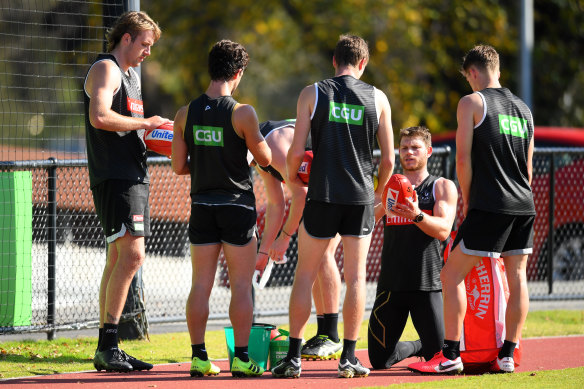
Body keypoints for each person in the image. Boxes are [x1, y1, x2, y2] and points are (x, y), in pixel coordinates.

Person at [271, 34, 394, 379]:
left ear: (334, 61)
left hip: (322, 194)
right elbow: (388, 160)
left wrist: (293, 179)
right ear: (363, 63)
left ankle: (293, 358)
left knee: (305, 274)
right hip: (358, 199)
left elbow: (296, 153)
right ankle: (349, 358)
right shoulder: (379, 98)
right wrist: (376, 195)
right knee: (356, 278)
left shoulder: (313, 92)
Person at [408, 45, 535, 375]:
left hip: (490, 204)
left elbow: (462, 159)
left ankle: (450, 355)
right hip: (523, 203)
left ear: (473, 72)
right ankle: (508, 353)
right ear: (498, 71)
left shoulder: (472, 102)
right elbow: (529, 166)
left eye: (467, 77)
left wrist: (467, 200)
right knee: (517, 276)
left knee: (450, 275)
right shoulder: (524, 110)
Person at [172, 40, 271, 378]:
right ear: (238, 73)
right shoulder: (243, 112)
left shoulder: (185, 113)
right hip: (236, 206)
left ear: (211, 68)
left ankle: (199, 357)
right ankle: (241, 359)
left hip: (201, 205)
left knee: (200, 285)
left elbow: (178, 166)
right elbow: (266, 159)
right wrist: (242, 154)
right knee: (241, 286)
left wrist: (208, 162)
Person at [84, 11, 168, 372]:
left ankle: (108, 345)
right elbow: (99, 116)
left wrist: (157, 133)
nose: (148, 52)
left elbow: (132, 127)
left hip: (131, 175)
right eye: (145, 44)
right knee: (132, 256)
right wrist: (146, 122)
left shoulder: (131, 75)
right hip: (115, 176)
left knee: (118, 258)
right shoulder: (107, 68)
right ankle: (109, 343)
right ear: (127, 38)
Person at [368, 126, 458, 369]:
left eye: (415, 147)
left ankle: (426, 346)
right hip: (391, 285)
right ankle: (416, 346)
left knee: (439, 360)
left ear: (428, 151)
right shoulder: (389, 185)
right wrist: (384, 206)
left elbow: (443, 230)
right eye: (404, 148)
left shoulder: (441, 186)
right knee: (379, 361)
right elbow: (366, 224)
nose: (409, 152)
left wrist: (417, 215)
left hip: (426, 285)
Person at [253, 120, 343, 360]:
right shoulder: (258, 156)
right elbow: (276, 203)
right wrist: (263, 252)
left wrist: (284, 237)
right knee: (311, 257)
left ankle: (332, 335)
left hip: (341, 182)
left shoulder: (271, 146)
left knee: (324, 254)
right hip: (320, 186)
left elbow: (300, 194)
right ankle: (323, 332)